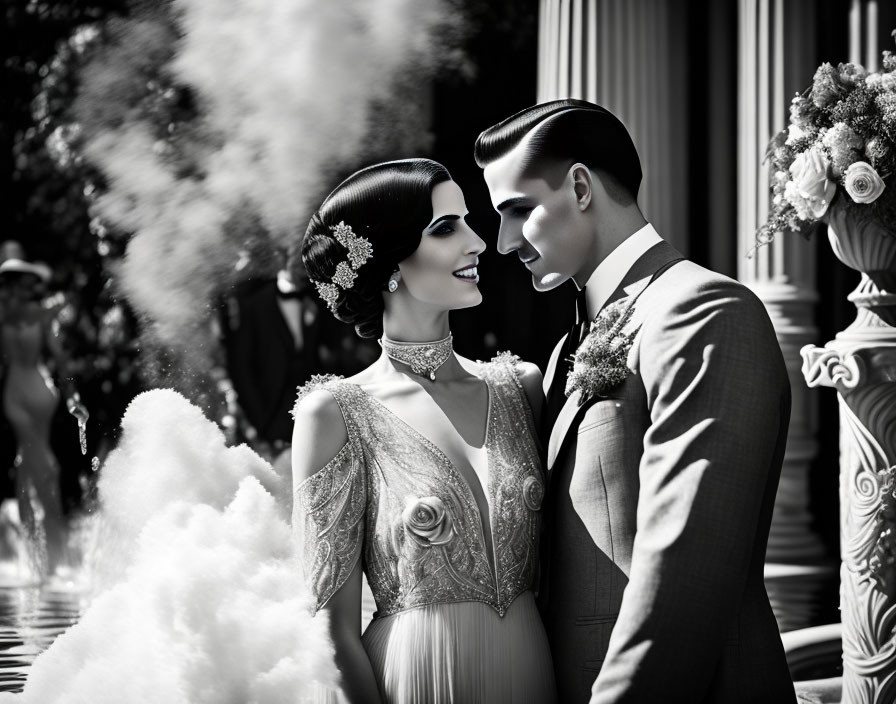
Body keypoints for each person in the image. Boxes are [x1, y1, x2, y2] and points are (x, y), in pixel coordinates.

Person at [475, 99, 796, 703]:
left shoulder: (701, 311)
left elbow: (686, 575)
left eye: (518, 210)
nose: (502, 241)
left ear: (579, 186)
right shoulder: (567, 344)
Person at [291, 158, 557, 704]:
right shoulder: (335, 414)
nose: (479, 242)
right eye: (445, 228)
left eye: (465, 220)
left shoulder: (520, 388)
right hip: (414, 683)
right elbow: (330, 628)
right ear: (389, 263)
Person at [0, 243, 86, 576]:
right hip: (15, 396)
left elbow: (60, 361)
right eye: (10, 281)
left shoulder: (40, 315)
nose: (17, 287)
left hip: (42, 393)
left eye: (21, 281)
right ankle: (51, 552)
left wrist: (73, 397)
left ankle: (43, 561)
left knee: (29, 470)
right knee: (45, 469)